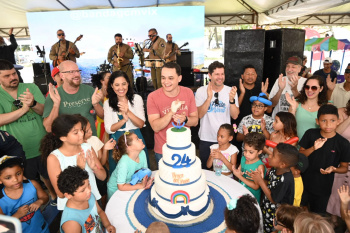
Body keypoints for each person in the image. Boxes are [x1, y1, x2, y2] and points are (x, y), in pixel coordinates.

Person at [0, 59, 57, 202]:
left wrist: (33, 103)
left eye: (14, 73)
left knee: (51, 175)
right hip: (18, 150)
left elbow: (45, 112)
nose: (13, 77)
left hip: (43, 144)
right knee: (28, 183)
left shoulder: (30, 87)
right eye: (7, 76)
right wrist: (24, 109)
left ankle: (55, 198)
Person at [40, 114, 106, 211]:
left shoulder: (87, 148)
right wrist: (79, 169)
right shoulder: (54, 158)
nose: (81, 134)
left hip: (93, 200)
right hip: (72, 208)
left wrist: (95, 168)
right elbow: (61, 194)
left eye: (81, 130)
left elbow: (103, 176)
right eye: (75, 132)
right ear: (63, 138)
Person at [299, 104, 350, 214]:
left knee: (317, 216)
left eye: (332, 120)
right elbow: (300, 155)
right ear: (317, 121)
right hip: (303, 183)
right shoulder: (311, 134)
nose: (328, 124)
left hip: (323, 188)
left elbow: (344, 167)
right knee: (299, 212)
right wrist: (313, 148)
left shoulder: (343, 143)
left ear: (338, 121)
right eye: (324, 121)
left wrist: (334, 169)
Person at [147, 62, 198, 165]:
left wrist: (185, 119)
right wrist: (171, 112)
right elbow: (155, 127)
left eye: (170, 78)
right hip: (163, 151)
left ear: (179, 78)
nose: (166, 82)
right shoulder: (152, 97)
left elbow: (195, 121)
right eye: (163, 78)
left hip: (184, 149)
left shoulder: (188, 93)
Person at [195, 61, 239, 169]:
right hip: (206, 139)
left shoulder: (230, 91)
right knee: (206, 170)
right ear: (210, 75)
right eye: (217, 74)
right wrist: (209, 98)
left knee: (224, 172)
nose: (220, 77)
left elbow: (235, 116)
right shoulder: (201, 91)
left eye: (222, 74)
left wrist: (232, 100)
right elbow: (199, 115)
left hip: (225, 140)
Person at [104, 71, 149, 174]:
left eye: (124, 84)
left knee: (139, 170)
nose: (121, 88)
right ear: (112, 86)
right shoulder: (108, 103)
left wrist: (128, 112)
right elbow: (109, 128)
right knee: (120, 173)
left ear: (128, 83)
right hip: (117, 139)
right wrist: (123, 120)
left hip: (135, 137)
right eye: (117, 85)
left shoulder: (137, 99)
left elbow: (141, 124)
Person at [43, 60, 104, 136]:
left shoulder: (89, 90)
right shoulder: (54, 95)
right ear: (62, 76)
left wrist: (96, 104)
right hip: (68, 144)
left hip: (91, 140)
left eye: (78, 71)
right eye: (71, 72)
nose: (77, 74)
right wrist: (56, 105)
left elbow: (103, 116)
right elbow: (48, 128)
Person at [251, 143, 298, 233]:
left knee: (269, 229)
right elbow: (269, 183)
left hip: (276, 215)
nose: (269, 155)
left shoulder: (286, 179)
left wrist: (260, 181)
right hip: (267, 207)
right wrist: (257, 178)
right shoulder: (275, 169)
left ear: (282, 164)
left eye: (273, 155)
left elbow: (273, 199)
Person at [57, 166, 116, 233]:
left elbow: (99, 211)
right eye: (82, 190)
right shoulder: (71, 222)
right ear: (68, 195)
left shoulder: (88, 196)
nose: (89, 190)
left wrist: (107, 225)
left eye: (88, 184)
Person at [0, 156, 49, 233]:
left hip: (42, 229)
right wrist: (17, 215)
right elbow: (2, 227)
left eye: (18, 174)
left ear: (22, 171)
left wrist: (40, 201)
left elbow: (45, 197)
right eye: (8, 178)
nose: (15, 179)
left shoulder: (32, 184)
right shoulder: (1, 200)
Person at [107, 132, 153, 200]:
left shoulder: (142, 153)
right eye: (137, 139)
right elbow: (121, 186)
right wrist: (140, 185)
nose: (141, 139)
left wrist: (147, 180)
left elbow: (144, 172)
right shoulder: (124, 163)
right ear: (129, 147)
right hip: (115, 189)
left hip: (130, 184)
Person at [286, 75, 328, 140]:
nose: (310, 90)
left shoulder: (325, 107)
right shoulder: (296, 103)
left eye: (314, 88)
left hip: (316, 146)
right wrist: (293, 109)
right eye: (307, 87)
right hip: (295, 145)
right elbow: (288, 126)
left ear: (321, 89)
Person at [232, 132, 265, 203]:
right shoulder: (243, 158)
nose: (246, 154)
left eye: (251, 152)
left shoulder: (260, 167)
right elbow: (240, 171)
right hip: (241, 192)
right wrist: (238, 172)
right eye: (245, 150)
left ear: (259, 152)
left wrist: (239, 176)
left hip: (252, 198)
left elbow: (256, 187)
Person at [91, 71, 111, 141]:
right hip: (102, 125)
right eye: (108, 77)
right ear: (102, 81)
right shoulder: (97, 94)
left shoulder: (114, 93)